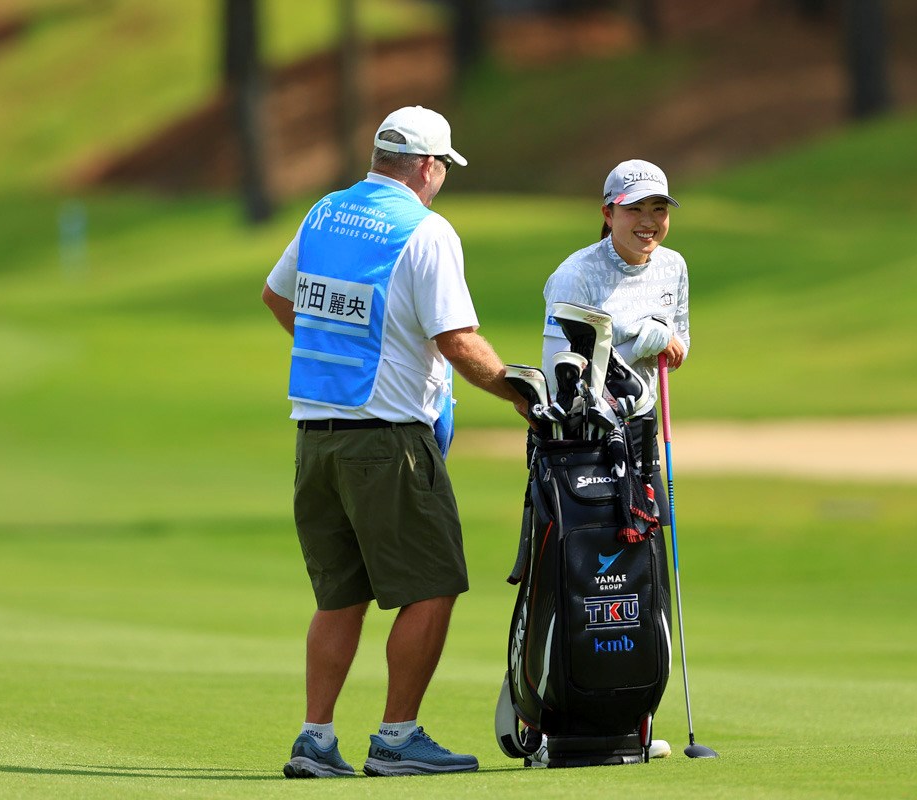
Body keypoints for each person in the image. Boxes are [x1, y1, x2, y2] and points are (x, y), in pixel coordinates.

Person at [262, 105, 529, 779]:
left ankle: (315, 738)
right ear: (427, 166)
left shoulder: (323, 212)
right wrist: (518, 392)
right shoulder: (426, 231)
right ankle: (397, 738)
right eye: (442, 168)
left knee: (339, 595)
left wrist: (345, 351)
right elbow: (457, 341)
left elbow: (277, 296)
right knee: (434, 581)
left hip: (315, 438)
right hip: (388, 442)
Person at [541, 158, 691, 518]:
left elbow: (680, 347)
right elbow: (556, 374)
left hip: (643, 423)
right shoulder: (574, 275)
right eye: (634, 209)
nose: (648, 221)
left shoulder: (674, 266)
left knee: (647, 548)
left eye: (658, 209)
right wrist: (639, 339)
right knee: (594, 549)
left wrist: (665, 338)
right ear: (608, 214)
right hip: (586, 437)